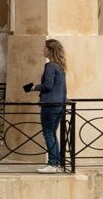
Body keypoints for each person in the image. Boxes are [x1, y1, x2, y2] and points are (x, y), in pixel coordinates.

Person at [22, 38, 68, 173]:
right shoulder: (60, 66)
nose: (43, 50)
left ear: (50, 50)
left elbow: (48, 85)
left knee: (48, 134)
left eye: (45, 48)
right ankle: (57, 164)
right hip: (60, 105)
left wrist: (33, 88)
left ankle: (53, 164)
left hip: (50, 105)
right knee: (52, 134)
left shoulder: (50, 66)